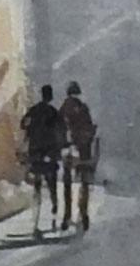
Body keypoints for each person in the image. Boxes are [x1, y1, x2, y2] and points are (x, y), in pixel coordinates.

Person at [22, 84, 65, 233]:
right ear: (50, 96)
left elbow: (23, 124)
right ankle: (53, 215)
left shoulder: (33, 110)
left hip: (35, 151)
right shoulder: (54, 112)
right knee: (52, 184)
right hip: (49, 151)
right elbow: (61, 131)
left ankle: (36, 220)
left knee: (37, 183)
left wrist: (32, 130)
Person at [59, 82, 98, 232]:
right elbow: (89, 128)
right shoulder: (83, 108)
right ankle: (83, 213)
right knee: (84, 182)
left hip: (68, 149)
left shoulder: (63, 109)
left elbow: (59, 129)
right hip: (83, 150)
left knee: (67, 183)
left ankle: (67, 215)